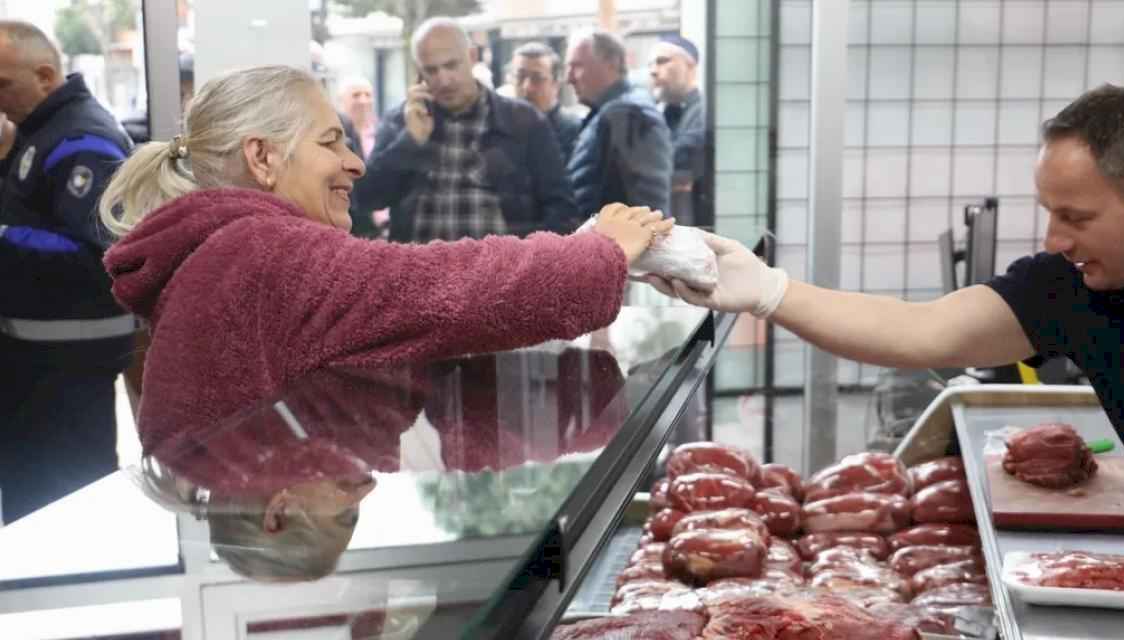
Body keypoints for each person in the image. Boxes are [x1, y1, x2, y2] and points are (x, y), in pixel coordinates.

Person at [650, 84, 1124, 629]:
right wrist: (767, 290)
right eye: (1049, 213)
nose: (1055, 239)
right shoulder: (1076, 289)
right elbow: (922, 331)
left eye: (1076, 217)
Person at [98, 63, 670, 578]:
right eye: (330, 142)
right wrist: (600, 253)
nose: (356, 161)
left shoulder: (235, 251)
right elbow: (445, 290)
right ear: (263, 157)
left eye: (344, 512)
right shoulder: (265, 251)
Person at [0, 20, 135, 523]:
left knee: (69, 513)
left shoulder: (83, 139)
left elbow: (98, 255)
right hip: (35, 364)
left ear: (44, 75)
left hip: (67, 369)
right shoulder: (39, 131)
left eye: (2, 85)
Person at [354, 18, 579, 242]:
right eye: (431, 70)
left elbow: (561, 207)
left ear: (472, 57)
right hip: (420, 270)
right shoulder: (401, 121)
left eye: (451, 65)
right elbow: (366, 199)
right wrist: (410, 141)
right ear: (419, 72)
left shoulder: (524, 120)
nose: (443, 80)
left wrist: (531, 261)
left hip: (502, 270)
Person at [565, 30, 673, 218]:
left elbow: (644, 213)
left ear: (611, 63)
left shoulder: (628, 114)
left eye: (577, 66)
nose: (570, 78)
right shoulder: (615, 113)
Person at [648, 34, 708, 227]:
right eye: (651, 64)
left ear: (690, 65)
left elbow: (682, 158)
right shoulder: (657, 113)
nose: (653, 71)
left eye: (662, 61)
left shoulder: (705, 111)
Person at [511, 41, 580, 167]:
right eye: (520, 77)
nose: (527, 87)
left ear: (556, 84)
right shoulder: (500, 129)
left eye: (537, 79)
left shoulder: (576, 132)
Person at [335, 76, 387, 238]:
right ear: (341, 101)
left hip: (388, 227)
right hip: (356, 226)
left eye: (368, 95)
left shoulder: (385, 131)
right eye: (356, 95)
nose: (363, 101)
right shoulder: (338, 137)